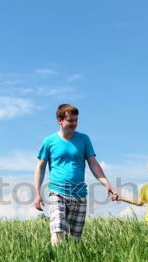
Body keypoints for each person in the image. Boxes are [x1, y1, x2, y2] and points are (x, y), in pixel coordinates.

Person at [34, 104, 116, 245]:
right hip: (57, 191)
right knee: (58, 228)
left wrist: (106, 183)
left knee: (75, 239)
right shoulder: (49, 141)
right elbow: (40, 167)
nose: (74, 124)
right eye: (70, 120)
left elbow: (93, 163)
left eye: (76, 120)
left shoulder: (84, 139)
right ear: (60, 121)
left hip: (79, 193)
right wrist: (37, 192)